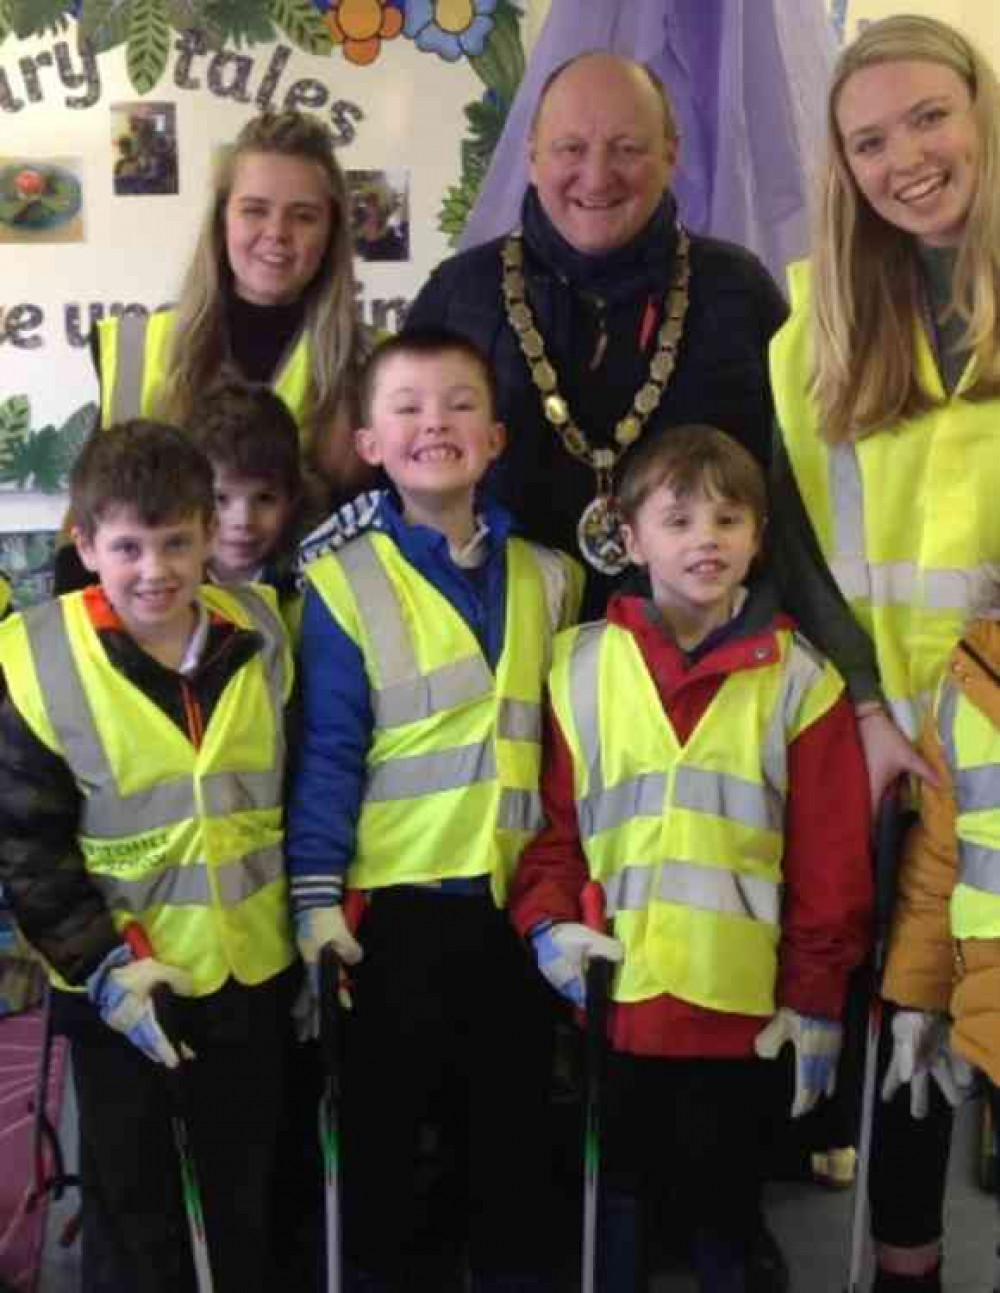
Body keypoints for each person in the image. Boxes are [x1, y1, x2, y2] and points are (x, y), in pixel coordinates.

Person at [508, 424, 873, 1292]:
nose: (706, 538)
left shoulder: (801, 680)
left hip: (739, 1016)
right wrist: (548, 924)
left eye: (728, 518)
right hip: (614, 1006)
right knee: (618, 1215)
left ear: (758, 537)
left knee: (723, 1223)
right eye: (678, 520)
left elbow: (831, 865)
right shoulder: (577, 666)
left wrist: (817, 998)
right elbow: (550, 828)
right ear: (630, 540)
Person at [767, 14, 1000, 1290]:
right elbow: (797, 546)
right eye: (868, 141)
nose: (904, 157)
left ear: (980, 113)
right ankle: (903, 1271)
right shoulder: (815, 323)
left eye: (927, 118)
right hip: (900, 745)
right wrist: (861, 706)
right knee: (909, 1025)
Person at [285, 326, 583, 1291]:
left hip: (518, 912)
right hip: (394, 915)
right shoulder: (339, 584)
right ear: (370, 444)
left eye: (458, 404)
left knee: (509, 1137)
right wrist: (316, 897)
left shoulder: (553, 577)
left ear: (496, 437)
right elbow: (328, 753)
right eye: (407, 408)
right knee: (386, 1146)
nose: (434, 424)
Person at [0, 421, 296, 1293]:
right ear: (87, 545)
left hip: (251, 972)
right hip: (124, 987)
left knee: (245, 1192)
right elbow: (26, 842)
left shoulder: (264, 633)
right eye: (127, 545)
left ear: (210, 533)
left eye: (176, 541)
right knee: (137, 1207)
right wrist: (100, 965)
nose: (155, 568)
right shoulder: (39, 658)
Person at [406, 52, 787, 617]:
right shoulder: (458, 297)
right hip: (500, 652)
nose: (597, 175)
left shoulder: (741, 292)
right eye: (571, 149)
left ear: (671, 154)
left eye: (627, 149)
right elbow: (396, 489)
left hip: (704, 658)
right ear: (532, 154)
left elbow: (799, 498)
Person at [95, 108, 373, 504]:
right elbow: (91, 513)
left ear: (331, 232)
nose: (277, 233)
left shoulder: (375, 363)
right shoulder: (132, 347)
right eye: (255, 210)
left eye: (304, 216)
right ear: (222, 220)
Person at [188, 375, 306, 631]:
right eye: (220, 499)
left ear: (292, 499)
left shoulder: (310, 586)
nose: (243, 521)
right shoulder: (166, 585)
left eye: (264, 499)